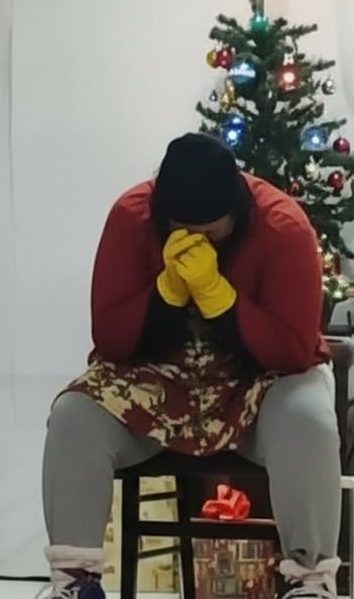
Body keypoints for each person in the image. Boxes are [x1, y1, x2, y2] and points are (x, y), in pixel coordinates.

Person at [41, 133, 341, 599]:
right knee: (73, 417)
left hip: (259, 382)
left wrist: (222, 300)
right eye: (183, 230)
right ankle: (74, 582)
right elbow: (111, 339)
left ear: (236, 214)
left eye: (210, 232)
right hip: (158, 379)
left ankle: (310, 581)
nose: (198, 241)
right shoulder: (131, 217)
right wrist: (165, 294)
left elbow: (295, 351)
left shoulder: (284, 226)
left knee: (308, 418)